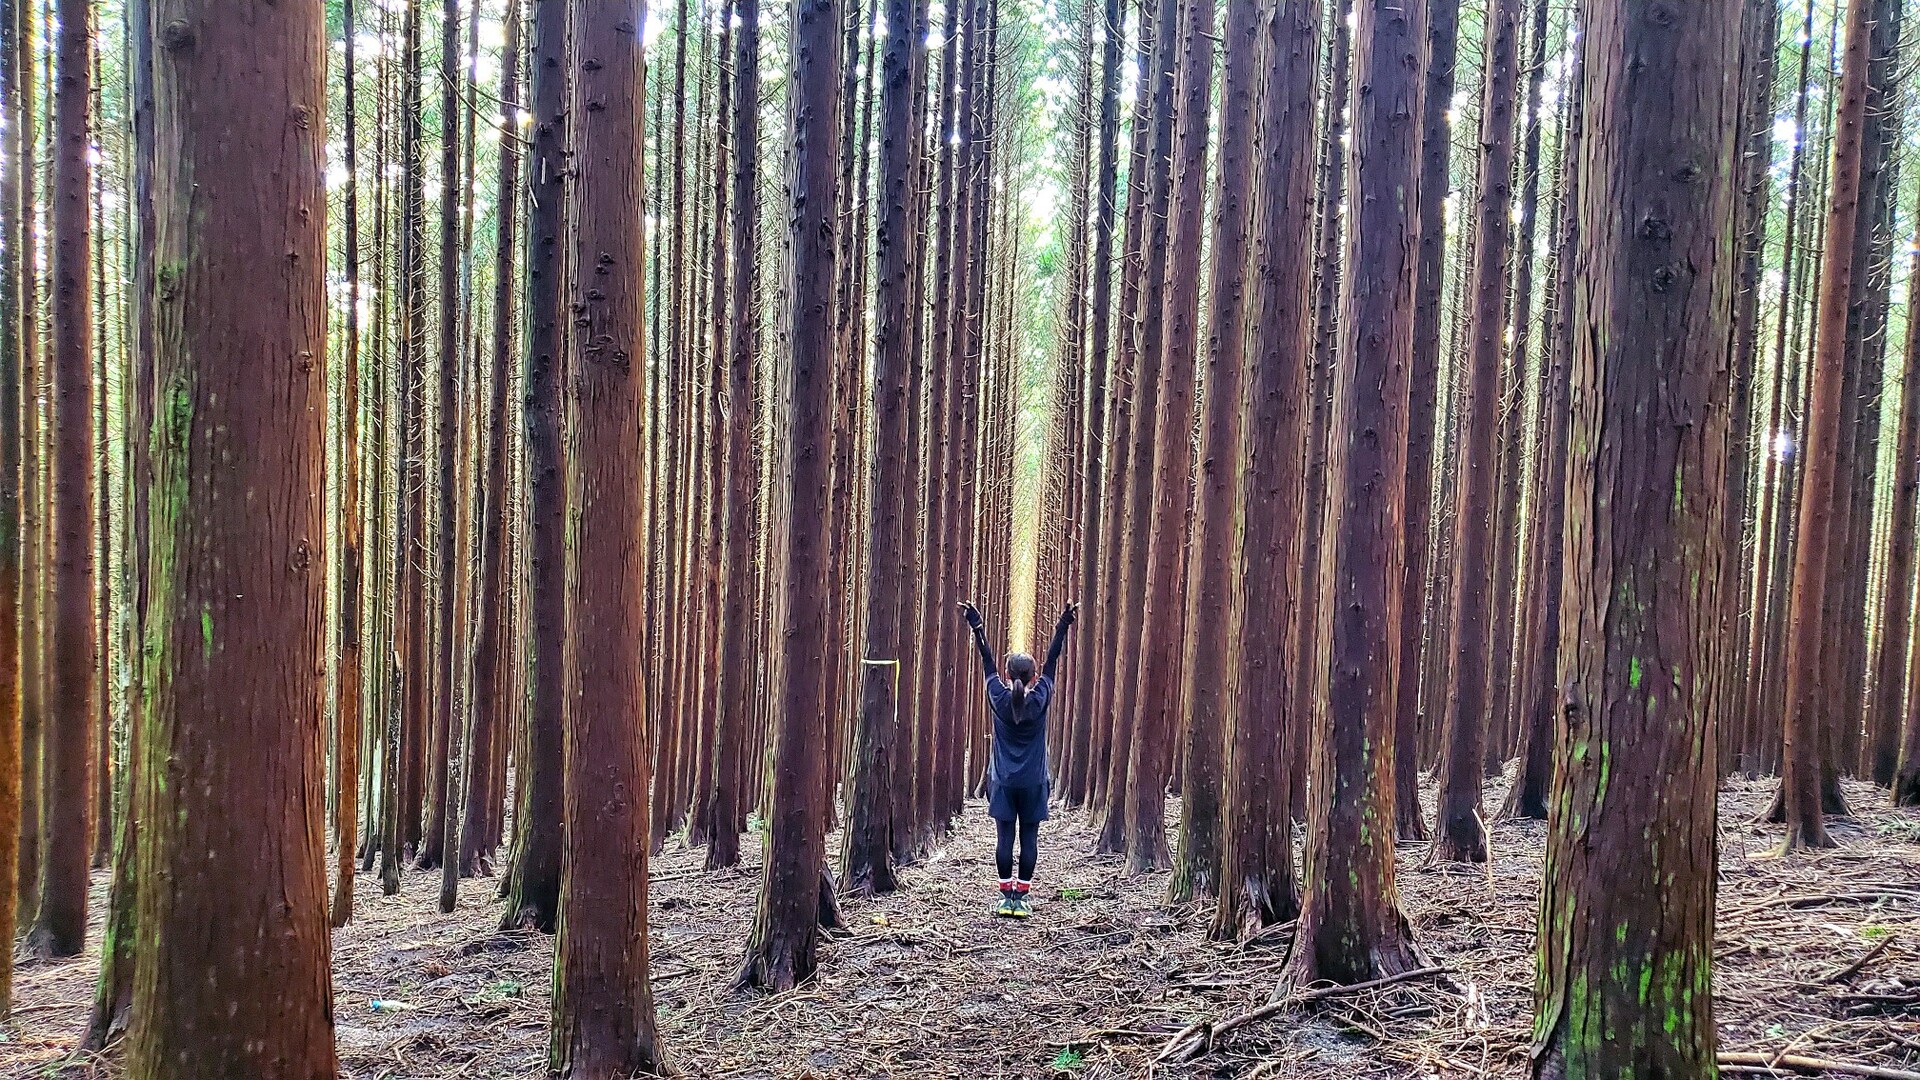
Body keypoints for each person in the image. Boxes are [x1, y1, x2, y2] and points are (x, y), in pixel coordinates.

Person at [959, 599, 1077, 918]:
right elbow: (1053, 661)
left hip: (1003, 781)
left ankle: (1004, 897)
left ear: (1008, 673)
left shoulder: (998, 697)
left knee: (1004, 838)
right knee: (1029, 838)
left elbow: (986, 662)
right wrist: (1062, 626)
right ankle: (1021, 900)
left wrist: (978, 628)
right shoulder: (1040, 698)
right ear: (1033, 676)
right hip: (1034, 782)